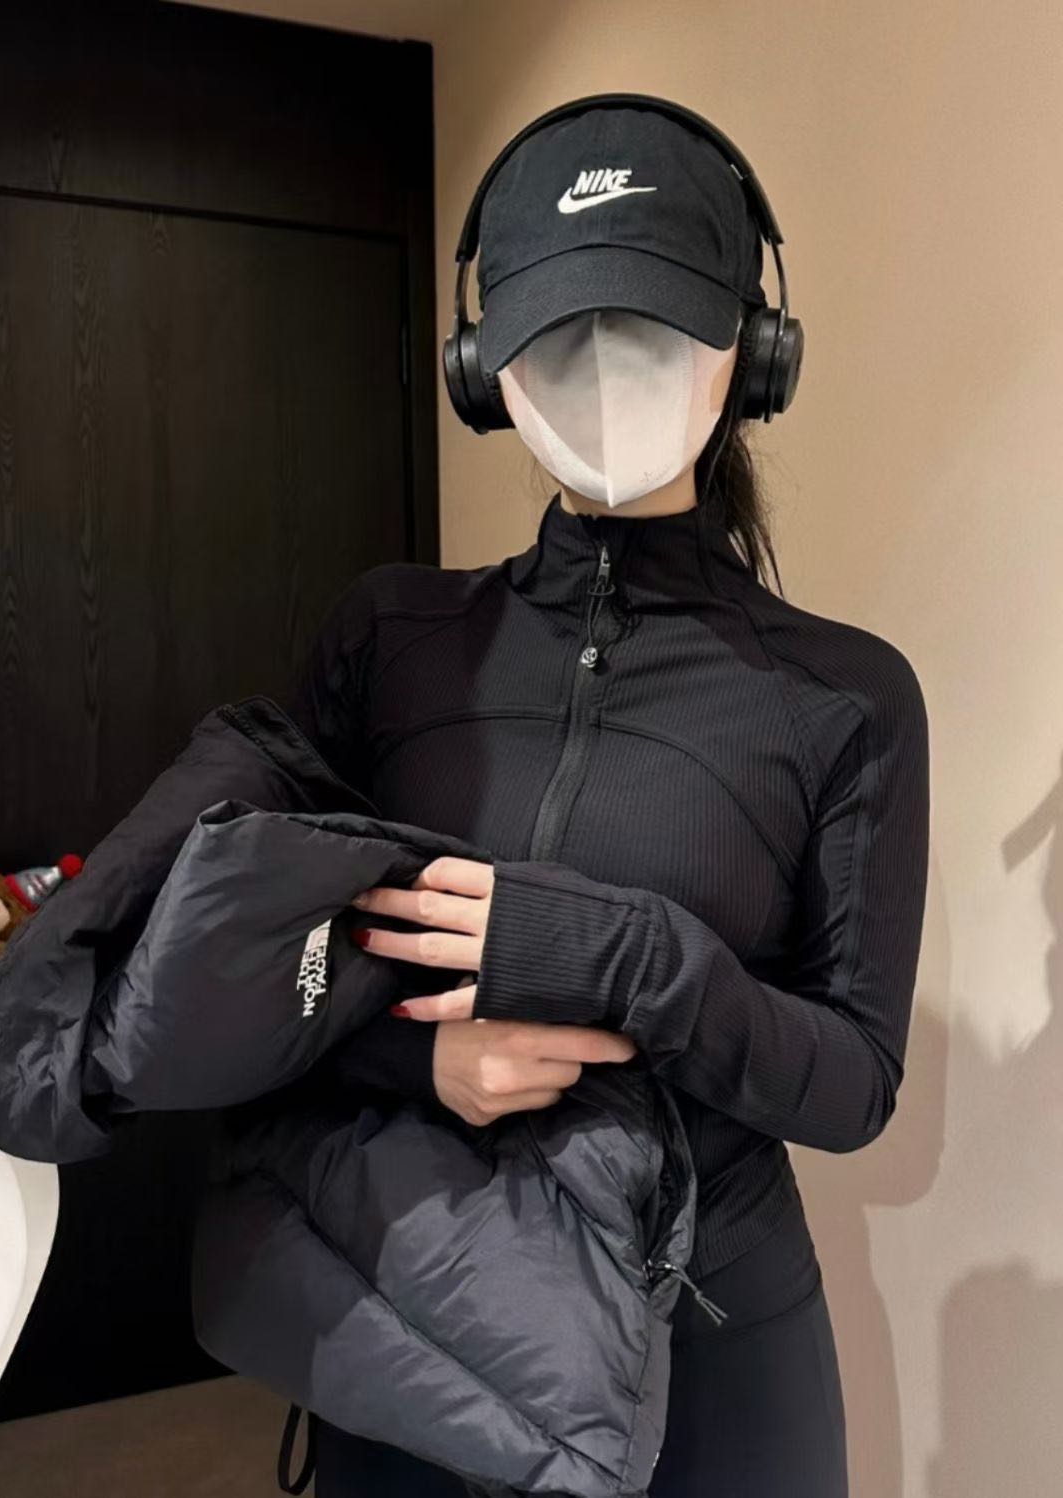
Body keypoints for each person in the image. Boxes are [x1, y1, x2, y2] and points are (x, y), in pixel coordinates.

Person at [293, 98, 929, 1498]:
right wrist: (413, 1065)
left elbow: (852, 1084)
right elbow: (258, 972)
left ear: (753, 353)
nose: (602, 367)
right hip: (420, 1310)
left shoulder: (846, 696)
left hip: (715, 1342)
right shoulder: (390, 639)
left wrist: (629, 957)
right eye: (560, 328)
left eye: (649, 323)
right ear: (484, 369)